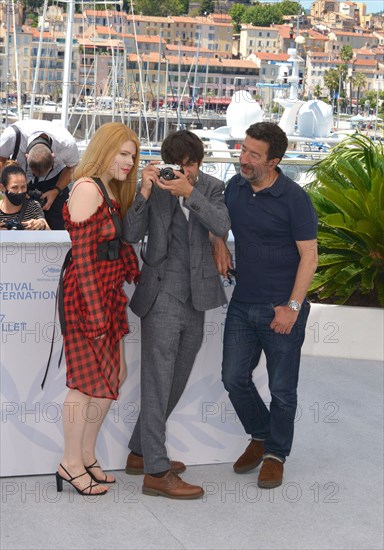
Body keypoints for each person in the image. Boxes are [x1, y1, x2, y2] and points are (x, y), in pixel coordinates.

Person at [123, 129, 230, 499]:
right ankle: (156, 469)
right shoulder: (157, 187)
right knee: (156, 380)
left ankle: (140, 451)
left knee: (176, 379)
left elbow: (221, 224)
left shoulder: (212, 187)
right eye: (176, 167)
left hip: (197, 297)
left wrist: (190, 193)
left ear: (198, 164)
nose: (182, 173)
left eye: (189, 167)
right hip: (161, 293)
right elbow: (131, 233)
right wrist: (145, 191)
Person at [212, 122, 318, 489]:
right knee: (232, 377)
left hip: (281, 307)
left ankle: (275, 453)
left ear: (274, 161)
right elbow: (216, 220)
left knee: (283, 389)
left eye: (254, 155)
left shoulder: (294, 198)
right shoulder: (234, 187)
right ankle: (260, 433)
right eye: (243, 150)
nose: (244, 159)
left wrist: (291, 307)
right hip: (243, 303)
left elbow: (310, 256)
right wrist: (218, 243)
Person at [54, 122, 140, 496]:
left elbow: (113, 246)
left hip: (107, 294)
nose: (129, 161)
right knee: (83, 385)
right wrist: (94, 312)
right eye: (123, 153)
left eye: (133, 156)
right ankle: (70, 463)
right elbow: (85, 259)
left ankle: (86, 455)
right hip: (86, 297)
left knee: (113, 376)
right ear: (104, 151)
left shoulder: (109, 189)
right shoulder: (87, 188)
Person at [0, 120, 80, 229]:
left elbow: (72, 167)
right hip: (21, 179)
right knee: (18, 223)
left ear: (53, 156)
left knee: (57, 223)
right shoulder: (12, 136)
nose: (36, 175)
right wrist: (15, 188)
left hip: (55, 180)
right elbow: (1, 159)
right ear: (26, 156)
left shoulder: (66, 144)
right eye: (34, 171)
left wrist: (56, 190)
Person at [0, 161, 50, 230]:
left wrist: (41, 224)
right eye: (15, 187)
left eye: (23, 187)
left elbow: (49, 232)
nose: (20, 192)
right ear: (3, 188)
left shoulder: (32, 206)